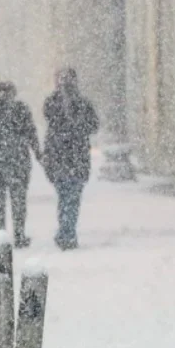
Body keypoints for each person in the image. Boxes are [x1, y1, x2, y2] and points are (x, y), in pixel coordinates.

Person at [43, 68, 99, 250]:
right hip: (70, 157)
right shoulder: (65, 103)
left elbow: (92, 125)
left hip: (67, 158)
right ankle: (67, 233)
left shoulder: (61, 103)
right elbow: (92, 125)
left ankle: (66, 232)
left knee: (68, 197)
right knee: (70, 198)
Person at [0, 82, 40, 248]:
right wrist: (38, 152)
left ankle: (0, 236)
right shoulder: (20, 109)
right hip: (18, 162)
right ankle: (18, 235)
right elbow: (31, 132)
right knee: (18, 201)